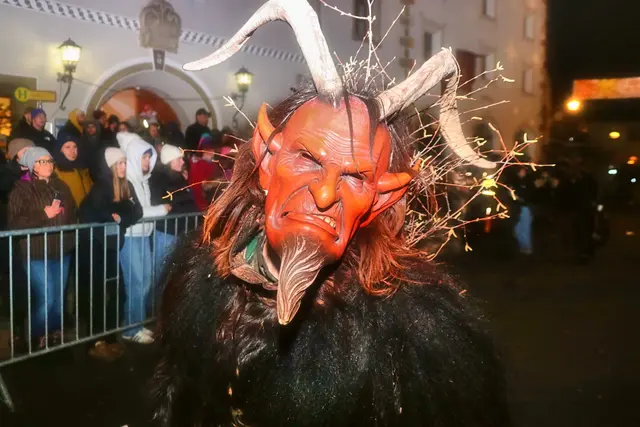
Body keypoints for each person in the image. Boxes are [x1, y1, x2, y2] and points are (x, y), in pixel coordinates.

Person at [152, 1, 508, 425]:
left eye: (355, 177)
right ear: (267, 160)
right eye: (307, 158)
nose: (324, 194)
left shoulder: (416, 337)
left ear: (382, 198)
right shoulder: (197, 279)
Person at [7, 147, 76, 349]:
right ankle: (37, 334)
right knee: (47, 297)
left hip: (61, 250)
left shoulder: (61, 185)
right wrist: (44, 214)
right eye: (42, 161)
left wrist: (71, 235)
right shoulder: (22, 189)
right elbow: (14, 223)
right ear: (32, 165)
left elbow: (74, 212)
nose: (48, 165)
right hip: (35, 252)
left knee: (59, 298)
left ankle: (54, 332)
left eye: (49, 161)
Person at [79, 147, 143, 360]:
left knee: (117, 292)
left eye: (124, 162)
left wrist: (120, 216)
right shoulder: (101, 186)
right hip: (94, 246)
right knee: (97, 293)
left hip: (112, 245)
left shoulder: (126, 185)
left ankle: (110, 336)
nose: (123, 167)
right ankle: (94, 341)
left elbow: (137, 211)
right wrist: (116, 214)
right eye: (119, 163)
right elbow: (94, 213)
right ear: (110, 166)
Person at [117, 132, 171, 343]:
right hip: (130, 237)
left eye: (149, 157)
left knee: (145, 282)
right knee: (137, 284)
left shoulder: (143, 180)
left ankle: (136, 324)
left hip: (143, 235)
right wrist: (161, 210)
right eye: (144, 157)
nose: (147, 161)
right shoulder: (127, 182)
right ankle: (131, 330)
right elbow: (137, 211)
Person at [150, 144, 197, 279]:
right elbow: (160, 200)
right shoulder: (160, 180)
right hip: (167, 231)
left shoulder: (178, 178)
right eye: (179, 159)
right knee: (161, 270)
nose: (182, 162)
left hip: (179, 231)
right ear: (170, 161)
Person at [53, 135, 93, 208]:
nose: (72, 151)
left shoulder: (83, 167)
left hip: (89, 211)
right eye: (67, 147)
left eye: (75, 147)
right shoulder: (57, 172)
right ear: (60, 149)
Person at [188, 132, 221, 211]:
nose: (212, 152)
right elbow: (198, 187)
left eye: (212, 149)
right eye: (208, 150)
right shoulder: (199, 165)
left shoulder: (212, 163)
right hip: (204, 205)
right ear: (202, 151)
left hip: (212, 202)